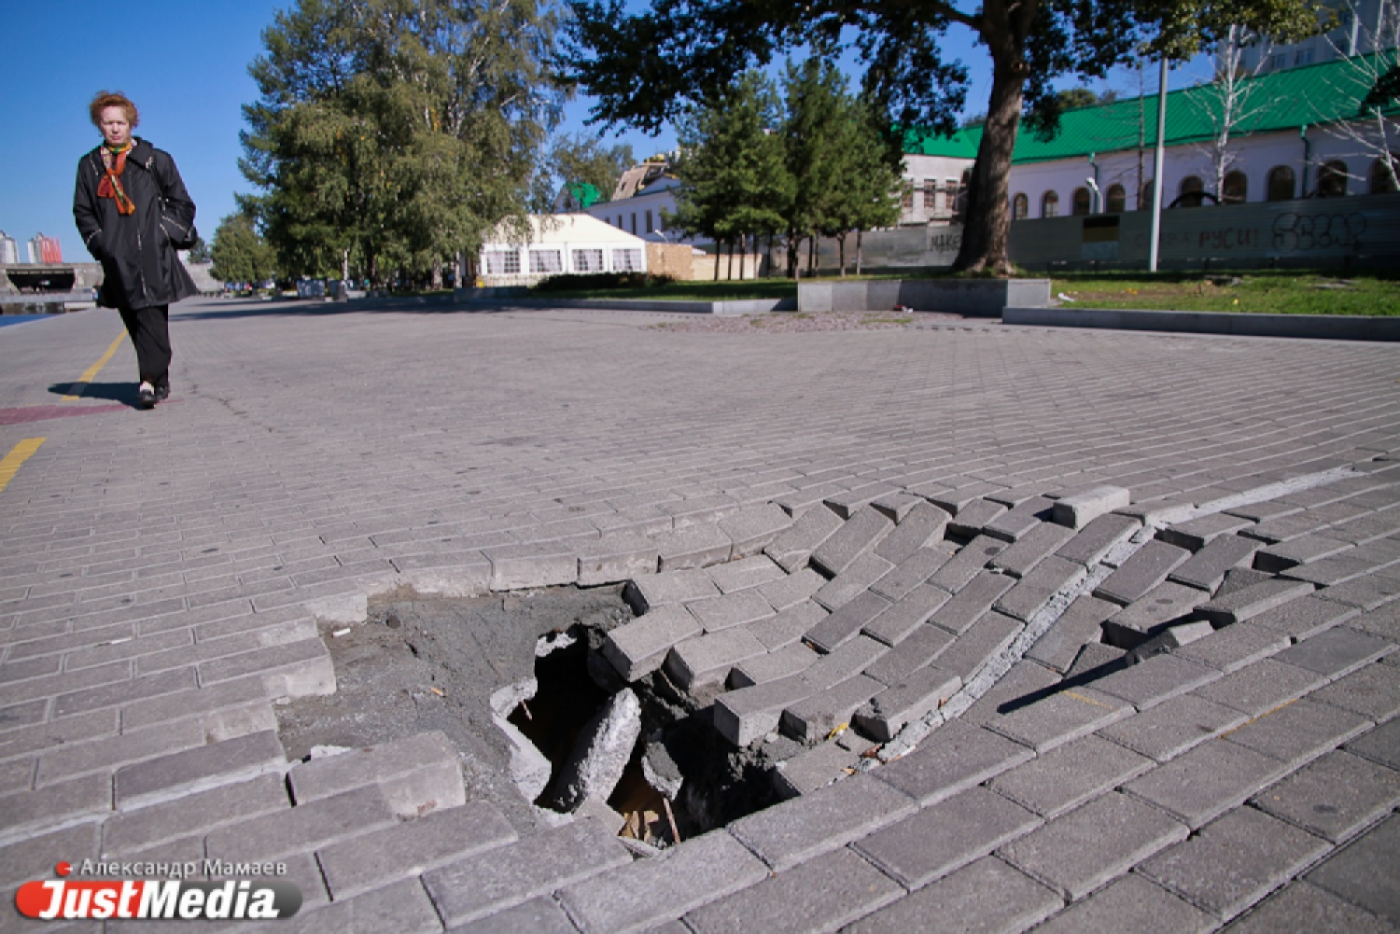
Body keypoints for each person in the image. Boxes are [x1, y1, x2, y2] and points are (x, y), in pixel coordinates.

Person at [73, 91, 197, 408]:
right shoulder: (89, 166)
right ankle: (160, 379)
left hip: (153, 255)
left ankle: (147, 381)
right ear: (99, 125)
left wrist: (161, 233)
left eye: (120, 122)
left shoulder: (154, 159)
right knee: (134, 321)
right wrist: (102, 244)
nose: (115, 128)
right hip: (118, 260)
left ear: (131, 123)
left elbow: (182, 203)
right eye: (108, 123)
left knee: (153, 318)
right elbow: (82, 211)